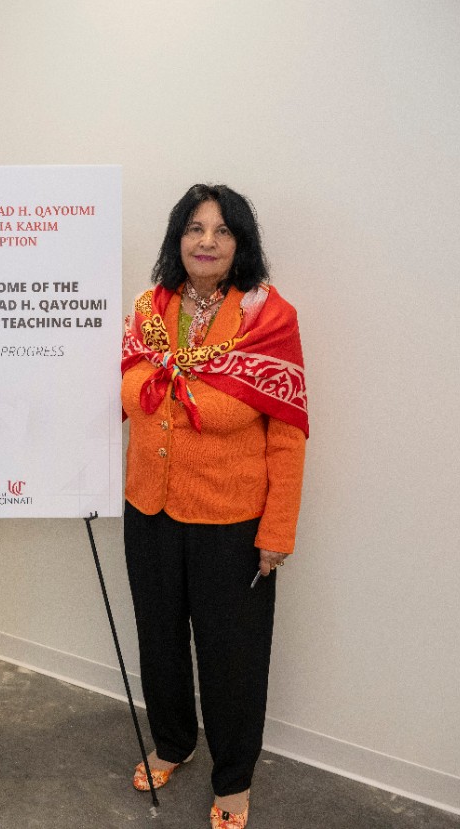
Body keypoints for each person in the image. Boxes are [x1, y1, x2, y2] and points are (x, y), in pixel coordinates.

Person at [120, 184, 308, 829]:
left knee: (234, 656)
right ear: (177, 239)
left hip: (232, 522)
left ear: (240, 241)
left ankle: (233, 778)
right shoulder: (149, 310)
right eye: (194, 228)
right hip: (148, 509)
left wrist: (277, 529)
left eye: (222, 230)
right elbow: (122, 390)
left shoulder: (268, 319)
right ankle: (174, 741)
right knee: (159, 640)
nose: (206, 241)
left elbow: (287, 434)